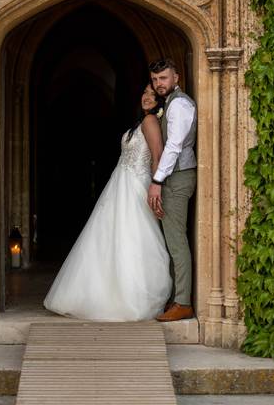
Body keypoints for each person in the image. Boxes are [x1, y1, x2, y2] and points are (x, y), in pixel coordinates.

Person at [43, 84, 172, 321]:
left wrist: (156, 185)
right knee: (111, 238)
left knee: (132, 237)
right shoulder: (140, 122)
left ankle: (129, 296)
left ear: (160, 102)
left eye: (153, 95)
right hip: (120, 185)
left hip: (136, 185)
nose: (146, 97)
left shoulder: (151, 122)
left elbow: (157, 155)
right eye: (144, 92)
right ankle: (106, 293)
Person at [147, 58, 197, 323]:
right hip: (173, 176)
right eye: (155, 80)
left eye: (163, 78)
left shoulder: (180, 104)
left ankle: (183, 303)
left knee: (176, 241)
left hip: (177, 177)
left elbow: (174, 146)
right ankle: (177, 297)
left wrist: (156, 180)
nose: (159, 84)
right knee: (172, 239)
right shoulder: (168, 104)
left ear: (176, 77)